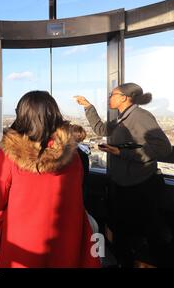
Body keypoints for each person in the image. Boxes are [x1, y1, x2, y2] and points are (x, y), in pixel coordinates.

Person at [0, 91, 101, 268]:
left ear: (22, 116)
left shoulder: (10, 154)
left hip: (23, 242)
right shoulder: (72, 155)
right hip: (65, 238)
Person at [75, 83, 172, 267]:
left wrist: (121, 152)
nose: (109, 97)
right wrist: (88, 107)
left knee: (141, 236)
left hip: (139, 187)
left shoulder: (140, 117)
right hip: (125, 185)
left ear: (125, 97)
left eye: (113, 94)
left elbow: (163, 148)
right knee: (125, 233)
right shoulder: (123, 117)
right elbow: (102, 130)